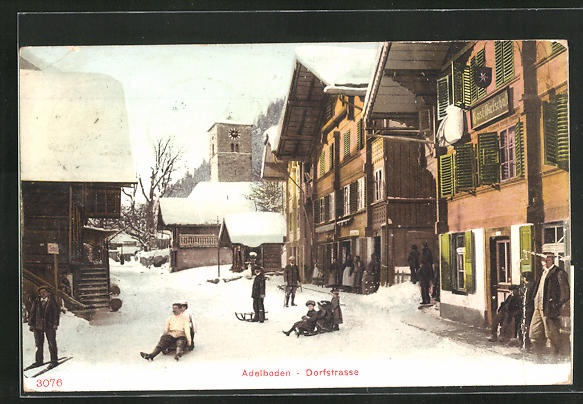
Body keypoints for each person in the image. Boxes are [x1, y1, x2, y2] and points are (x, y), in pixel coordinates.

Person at [528, 253, 570, 355]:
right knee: (534, 333)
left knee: (552, 335)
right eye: (543, 260)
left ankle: (554, 357)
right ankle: (538, 356)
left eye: (547, 260)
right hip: (538, 308)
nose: (544, 262)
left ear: (552, 260)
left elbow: (565, 293)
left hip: (549, 309)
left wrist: (555, 305)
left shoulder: (559, 273)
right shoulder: (542, 273)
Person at [28, 286, 60, 369]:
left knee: (52, 344)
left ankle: (54, 361)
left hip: (49, 326)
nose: (42, 294)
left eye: (44, 292)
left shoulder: (52, 301)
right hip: (38, 326)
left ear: (48, 293)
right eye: (41, 292)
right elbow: (32, 313)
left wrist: (55, 324)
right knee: (38, 344)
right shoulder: (36, 301)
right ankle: (39, 361)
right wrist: (31, 324)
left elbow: (56, 313)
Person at [250, 252, 266, 323]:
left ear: (260, 271)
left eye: (257, 270)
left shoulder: (261, 277)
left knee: (260, 306)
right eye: (255, 271)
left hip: (259, 294)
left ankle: (261, 318)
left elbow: (262, 286)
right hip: (255, 294)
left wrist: (262, 294)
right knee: (255, 306)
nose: (256, 271)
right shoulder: (257, 277)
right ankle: (256, 317)